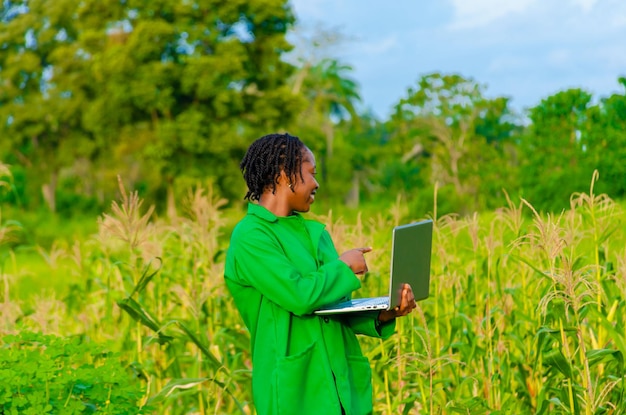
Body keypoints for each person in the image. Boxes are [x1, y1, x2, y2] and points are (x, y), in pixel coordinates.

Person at [224, 133, 417, 415]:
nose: (316, 183)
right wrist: (344, 266)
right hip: (297, 392)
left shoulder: (316, 234)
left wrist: (386, 312)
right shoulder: (251, 236)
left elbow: (334, 310)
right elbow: (300, 295)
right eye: (310, 173)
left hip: (342, 387)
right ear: (283, 174)